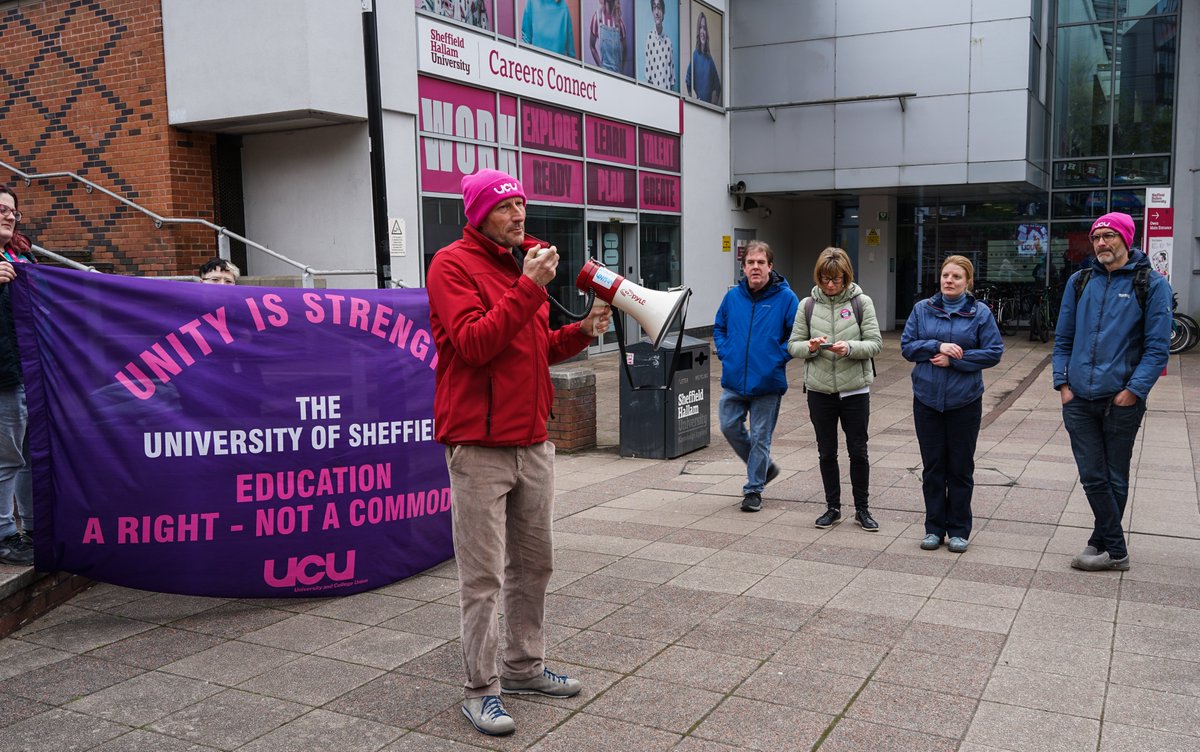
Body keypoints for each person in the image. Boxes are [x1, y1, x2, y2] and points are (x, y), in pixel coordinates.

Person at [426, 168, 610, 736]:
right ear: (480, 214)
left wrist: (581, 332)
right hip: (479, 445)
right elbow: (477, 343)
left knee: (534, 565)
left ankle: (524, 667)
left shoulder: (518, 265)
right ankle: (481, 689)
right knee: (482, 577)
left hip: (532, 441)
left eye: (523, 206)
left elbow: (531, 349)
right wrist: (528, 286)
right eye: (507, 208)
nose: (520, 216)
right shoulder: (451, 265)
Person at [1053, 212, 1170, 572]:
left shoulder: (1150, 283)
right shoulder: (1079, 281)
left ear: (1126, 239)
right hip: (1078, 399)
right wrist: (1062, 384)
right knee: (1092, 474)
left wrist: (1132, 391)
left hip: (1121, 399)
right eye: (1097, 237)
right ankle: (1113, 548)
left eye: (1109, 236)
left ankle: (1103, 545)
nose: (1102, 243)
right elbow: (1063, 338)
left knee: (1114, 475)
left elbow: (1156, 349)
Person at [901, 255, 1004, 554]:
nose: (949, 280)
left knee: (960, 468)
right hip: (927, 400)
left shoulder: (980, 313)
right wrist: (936, 346)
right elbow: (907, 347)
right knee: (933, 468)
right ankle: (934, 528)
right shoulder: (922, 310)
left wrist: (956, 359)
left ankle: (959, 529)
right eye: (946, 275)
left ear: (967, 282)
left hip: (964, 402)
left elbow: (994, 352)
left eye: (956, 277)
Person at [787, 247, 883, 532]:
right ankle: (833, 507)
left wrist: (850, 348)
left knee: (858, 451)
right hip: (819, 391)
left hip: (854, 391)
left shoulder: (861, 302)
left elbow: (876, 343)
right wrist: (811, 347)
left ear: (846, 276)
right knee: (826, 452)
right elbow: (793, 345)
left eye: (836, 279)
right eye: (825, 279)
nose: (830, 285)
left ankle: (862, 509)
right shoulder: (807, 305)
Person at [713, 241, 798, 513]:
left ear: (770, 267)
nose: (755, 267)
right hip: (734, 380)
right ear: (744, 267)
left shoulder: (786, 299)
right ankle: (763, 468)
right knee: (728, 426)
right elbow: (719, 327)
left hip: (768, 383)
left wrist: (777, 357)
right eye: (751, 263)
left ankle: (753, 490)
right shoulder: (732, 297)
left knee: (761, 437)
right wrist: (726, 353)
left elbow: (796, 335)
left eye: (761, 262)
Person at [0, 186, 35, 566]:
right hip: (4, 376)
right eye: (0, 209)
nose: (9, 215)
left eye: (13, 211)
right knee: (7, 457)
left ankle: (33, 526)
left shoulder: (21, 255)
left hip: (29, 373)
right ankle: (4, 534)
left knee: (28, 455)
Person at [685, 11, 721, 104]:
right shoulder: (695, 56)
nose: (702, 31)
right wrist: (694, 99)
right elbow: (688, 80)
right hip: (698, 109)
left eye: (704, 28)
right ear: (698, 31)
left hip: (708, 110)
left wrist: (713, 106)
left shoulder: (709, 59)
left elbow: (718, 87)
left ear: (706, 31)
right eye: (700, 27)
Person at [588, 0, 627, 73]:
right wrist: (600, 67)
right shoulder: (597, 18)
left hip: (617, 76)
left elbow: (625, 49)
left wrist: (621, 69)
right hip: (604, 74)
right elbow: (592, 46)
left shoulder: (619, 23)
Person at [643, 0, 674, 89]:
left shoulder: (668, 42)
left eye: (659, 8)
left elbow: (672, 80)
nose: (656, 12)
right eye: (654, 8)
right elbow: (648, 76)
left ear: (663, 12)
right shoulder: (649, 39)